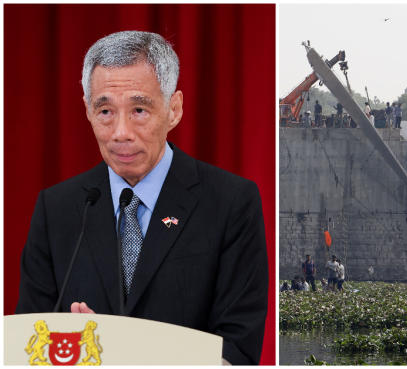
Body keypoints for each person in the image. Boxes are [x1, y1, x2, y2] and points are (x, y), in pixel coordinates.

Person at [14, 31, 267, 364]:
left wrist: (119, 347)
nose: (121, 132)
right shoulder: (57, 209)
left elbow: (238, 350)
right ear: (88, 111)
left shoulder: (232, 203)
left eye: (138, 110)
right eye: (105, 111)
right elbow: (28, 343)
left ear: (173, 109)